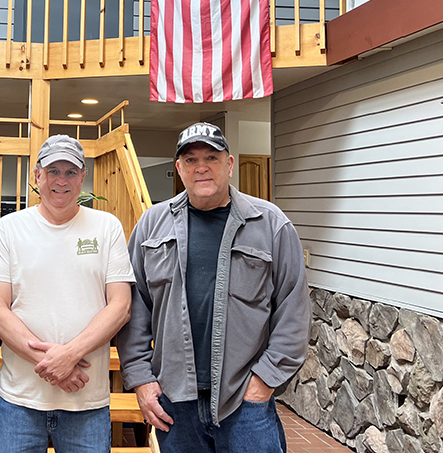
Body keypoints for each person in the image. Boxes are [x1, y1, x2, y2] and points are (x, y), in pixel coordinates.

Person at [116, 122, 310, 453]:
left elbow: (293, 310)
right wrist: (142, 379)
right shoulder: (152, 225)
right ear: (179, 168)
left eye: (211, 157)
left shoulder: (271, 225)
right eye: (190, 160)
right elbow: (135, 309)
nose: (201, 167)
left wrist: (264, 381)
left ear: (229, 164)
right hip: (176, 403)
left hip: (245, 403)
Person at [0, 134, 136, 453]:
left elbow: (120, 306)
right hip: (20, 402)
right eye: (53, 171)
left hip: (87, 403)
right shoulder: (8, 228)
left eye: (70, 172)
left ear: (83, 177)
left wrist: (69, 355)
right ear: (37, 175)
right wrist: (55, 366)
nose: (61, 180)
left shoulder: (107, 227)